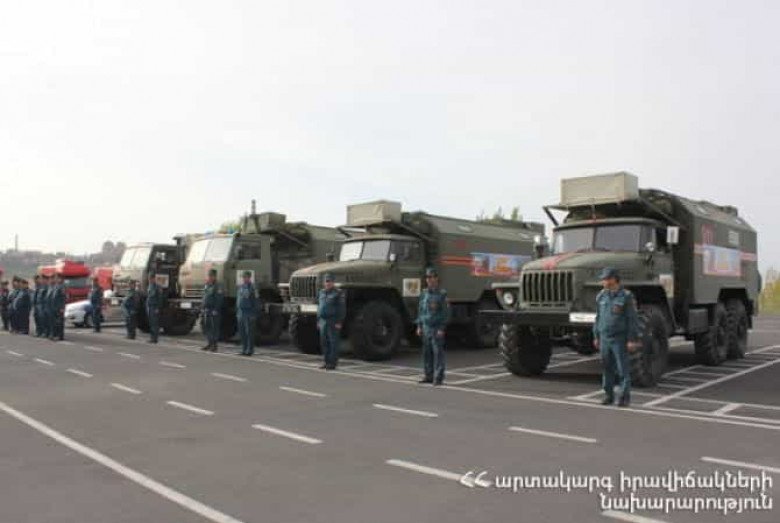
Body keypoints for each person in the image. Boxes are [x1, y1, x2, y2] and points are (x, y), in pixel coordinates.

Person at [593, 267, 639, 407]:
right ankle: (609, 395)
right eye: (603, 279)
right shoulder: (601, 296)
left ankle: (624, 397)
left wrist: (631, 339)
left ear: (613, 279)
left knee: (622, 369)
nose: (603, 282)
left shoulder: (626, 296)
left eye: (606, 279)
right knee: (607, 368)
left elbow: (632, 319)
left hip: (619, 339)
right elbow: (598, 318)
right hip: (604, 338)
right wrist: (596, 336)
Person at [416, 267, 450, 385]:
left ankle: (438, 377)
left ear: (436, 278)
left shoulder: (442, 294)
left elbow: (446, 313)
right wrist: (419, 326)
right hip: (426, 327)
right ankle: (428, 375)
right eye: (428, 277)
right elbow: (420, 311)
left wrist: (441, 328)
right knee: (427, 353)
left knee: (438, 353)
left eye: (432, 277)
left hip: (436, 328)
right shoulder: (424, 294)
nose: (429, 279)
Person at [317, 273, 345, 370]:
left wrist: (339, 321)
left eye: (330, 281)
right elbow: (319, 307)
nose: (328, 283)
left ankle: (332, 363)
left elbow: (341, 309)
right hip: (323, 321)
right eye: (326, 281)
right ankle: (326, 361)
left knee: (333, 343)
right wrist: (318, 320)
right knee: (324, 342)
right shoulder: (321, 292)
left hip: (333, 320)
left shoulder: (338, 293)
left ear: (333, 282)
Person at [201, 269, 223, 352]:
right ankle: (209, 343)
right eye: (209, 276)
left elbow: (219, 299)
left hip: (214, 309)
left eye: (211, 276)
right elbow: (205, 296)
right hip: (207, 309)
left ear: (215, 276)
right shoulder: (207, 284)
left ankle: (214, 345)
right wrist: (203, 307)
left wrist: (216, 309)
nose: (210, 277)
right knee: (207, 327)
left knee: (214, 328)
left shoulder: (218, 286)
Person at [237, 271, 258, 356]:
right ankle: (244, 348)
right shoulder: (241, 287)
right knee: (242, 332)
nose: (244, 279)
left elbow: (256, 301)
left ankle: (250, 349)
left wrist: (254, 313)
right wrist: (238, 312)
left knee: (249, 333)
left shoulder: (253, 288)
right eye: (243, 277)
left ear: (249, 278)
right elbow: (238, 299)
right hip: (241, 313)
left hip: (249, 313)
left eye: (245, 277)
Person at [49, 274, 66, 341]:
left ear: (61, 279)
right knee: (54, 322)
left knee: (59, 322)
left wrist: (62, 307)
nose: (56, 279)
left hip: (59, 307)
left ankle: (60, 336)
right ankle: (54, 334)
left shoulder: (62, 287)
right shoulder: (56, 286)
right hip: (54, 307)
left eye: (57, 278)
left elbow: (63, 298)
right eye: (56, 278)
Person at [146, 272, 161, 344]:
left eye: (151, 278)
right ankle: (152, 337)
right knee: (151, 323)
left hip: (154, 307)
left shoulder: (157, 287)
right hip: (150, 306)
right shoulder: (150, 286)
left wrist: (157, 308)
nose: (150, 280)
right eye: (149, 278)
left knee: (155, 323)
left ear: (154, 278)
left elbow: (160, 298)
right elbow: (149, 297)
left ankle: (155, 338)